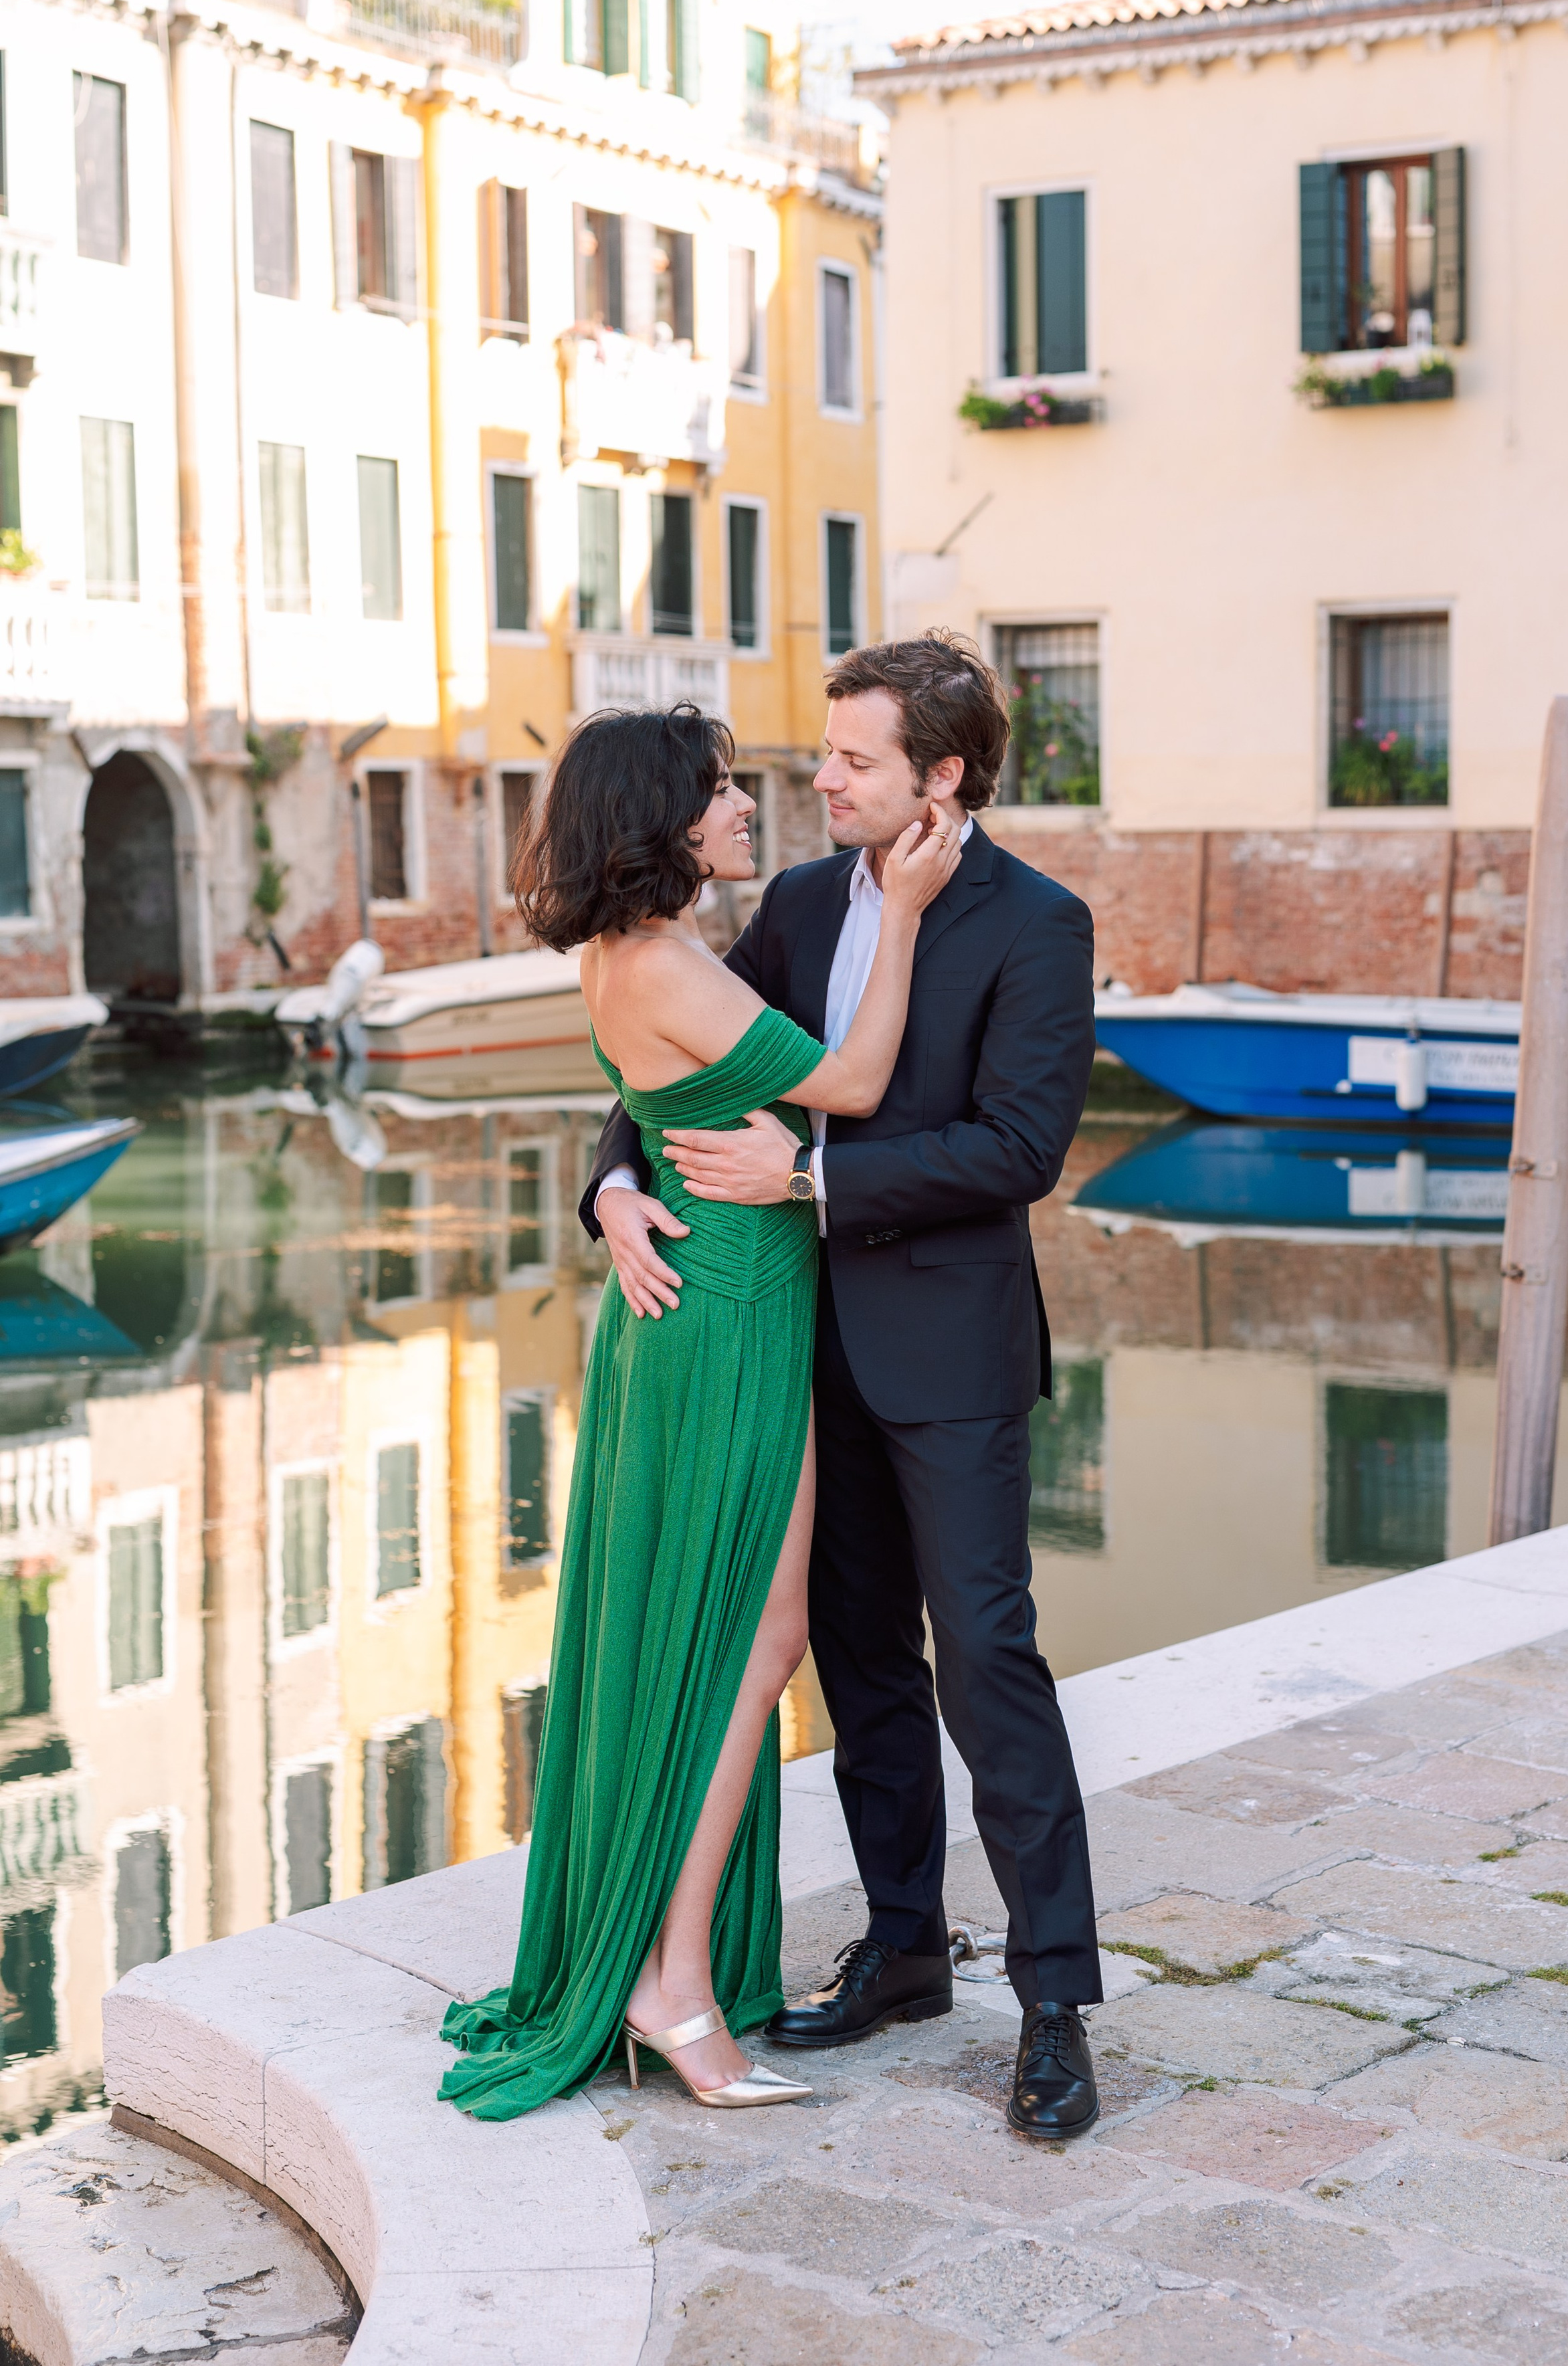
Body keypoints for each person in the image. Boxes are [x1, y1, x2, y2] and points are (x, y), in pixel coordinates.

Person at [584, 632, 1104, 2143]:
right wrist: (612, 1188)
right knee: (856, 1662)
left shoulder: (1035, 923)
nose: (820, 780)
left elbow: (1020, 1151)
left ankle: (1054, 2001)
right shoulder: (803, 907)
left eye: (852, 758)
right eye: (821, 755)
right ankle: (898, 1951)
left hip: (947, 1353)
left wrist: (814, 1179)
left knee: (984, 1657)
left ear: (941, 776)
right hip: (796, 1355)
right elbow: (663, 1073)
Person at [438, 702, 961, 2118]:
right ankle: (669, 1974)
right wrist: (904, 910)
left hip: (695, 1315)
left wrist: (615, 1186)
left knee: (710, 1632)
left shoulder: (632, 959)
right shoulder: (664, 964)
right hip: (725, 1315)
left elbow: (665, 1113)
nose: (746, 809)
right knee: (754, 1635)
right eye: (722, 793)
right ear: (661, 822)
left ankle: (654, 1956)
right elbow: (849, 1081)